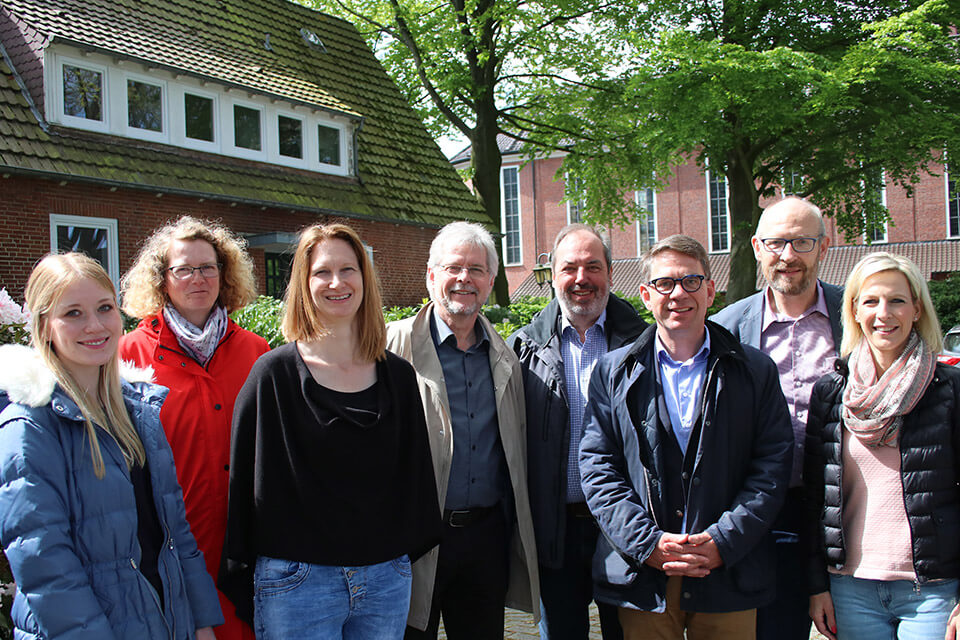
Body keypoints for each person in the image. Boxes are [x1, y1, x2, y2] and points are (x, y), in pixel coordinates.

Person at [220, 223, 441, 639]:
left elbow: (415, 478)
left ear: (364, 277)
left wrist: (395, 555)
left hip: (385, 580)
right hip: (298, 585)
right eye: (322, 272)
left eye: (348, 269)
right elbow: (246, 485)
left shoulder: (398, 376)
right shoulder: (273, 376)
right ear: (304, 284)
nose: (336, 282)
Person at [579, 235, 793, 640]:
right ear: (645, 294)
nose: (678, 293)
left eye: (691, 281)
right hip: (644, 577)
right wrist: (648, 543)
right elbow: (597, 468)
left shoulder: (756, 372)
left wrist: (722, 541)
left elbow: (772, 468)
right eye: (665, 283)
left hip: (729, 573)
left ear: (711, 290)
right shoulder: (611, 373)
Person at [0, 252, 223, 639]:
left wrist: (201, 621)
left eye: (105, 308)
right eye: (73, 313)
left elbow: (175, 534)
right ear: (44, 326)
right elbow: (46, 568)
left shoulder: (140, 411)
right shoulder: (29, 427)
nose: (95, 325)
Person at [386, 221, 539, 639]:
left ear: (491, 280)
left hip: (485, 540)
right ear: (431, 275)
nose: (463, 279)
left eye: (476, 269)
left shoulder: (505, 354)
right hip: (414, 540)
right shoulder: (390, 347)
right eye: (453, 267)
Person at [120, 215, 270, 640]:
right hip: (171, 552)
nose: (197, 278)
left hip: (246, 548)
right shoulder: (128, 358)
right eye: (183, 269)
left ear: (224, 275)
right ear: (162, 279)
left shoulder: (257, 353)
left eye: (208, 267)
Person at [804, 252, 960, 640]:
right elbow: (814, 498)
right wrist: (816, 586)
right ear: (854, 310)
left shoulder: (950, 389)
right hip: (850, 587)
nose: (883, 313)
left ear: (917, 309)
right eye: (871, 301)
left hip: (933, 589)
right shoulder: (831, 392)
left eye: (897, 300)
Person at [710, 196, 842, 640]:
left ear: (824, 247)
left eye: (802, 242)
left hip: (845, 512)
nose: (788, 256)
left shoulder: (856, 316)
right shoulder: (725, 328)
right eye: (776, 243)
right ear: (755, 247)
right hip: (761, 511)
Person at [509, 224, 646, 640]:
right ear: (553, 275)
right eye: (570, 268)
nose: (582, 278)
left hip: (624, 529)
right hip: (557, 530)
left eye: (593, 266)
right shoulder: (521, 349)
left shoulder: (644, 345)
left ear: (609, 272)